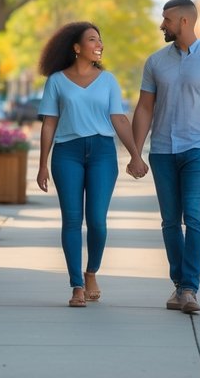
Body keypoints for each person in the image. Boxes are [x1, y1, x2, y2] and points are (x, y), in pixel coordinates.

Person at [36, 22, 147, 308]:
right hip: (67, 154)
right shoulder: (57, 81)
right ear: (76, 47)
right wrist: (42, 164)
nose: (99, 44)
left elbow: (119, 119)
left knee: (97, 220)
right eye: (92, 39)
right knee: (72, 220)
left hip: (102, 153)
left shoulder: (108, 80)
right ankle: (76, 285)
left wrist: (135, 154)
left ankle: (91, 272)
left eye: (100, 40)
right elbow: (49, 123)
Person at [132, 0, 200, 315]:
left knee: (195, 217)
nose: (162, 25)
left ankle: (189, 288)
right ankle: (179, 286)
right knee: (170, 221)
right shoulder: (155, 62)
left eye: (167, 20)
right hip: (162, 150)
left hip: (199, 149)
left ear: (184, 21)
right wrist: (136, 153)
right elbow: (145, 108)